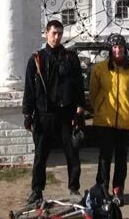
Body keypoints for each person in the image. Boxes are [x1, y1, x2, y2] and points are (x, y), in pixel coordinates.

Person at [22, 19, 86, 204]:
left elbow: (78, 85)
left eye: (59, 33)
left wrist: (80, 108)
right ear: (46, 34)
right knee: (40, 155)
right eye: (53, 33)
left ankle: (74, 188)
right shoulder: (36, 59)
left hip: (66, 113)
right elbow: (29, 88)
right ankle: (37, 191)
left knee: (72, 153)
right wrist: (28, 113)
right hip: (44, 114)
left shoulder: (70, 57)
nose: (57, 37)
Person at [89, 33, 129, 206]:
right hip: (105, 120)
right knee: (104, 157)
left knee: (121, 157)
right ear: (110, 50)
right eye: (115, 47)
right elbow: (93, 93)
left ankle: (118, 188)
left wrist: (128, 110)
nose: (118, 50)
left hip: (124, 120)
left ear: (124, 49)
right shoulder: (100, 69)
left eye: (120, 47)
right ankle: (102, 188)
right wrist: (99, 108)